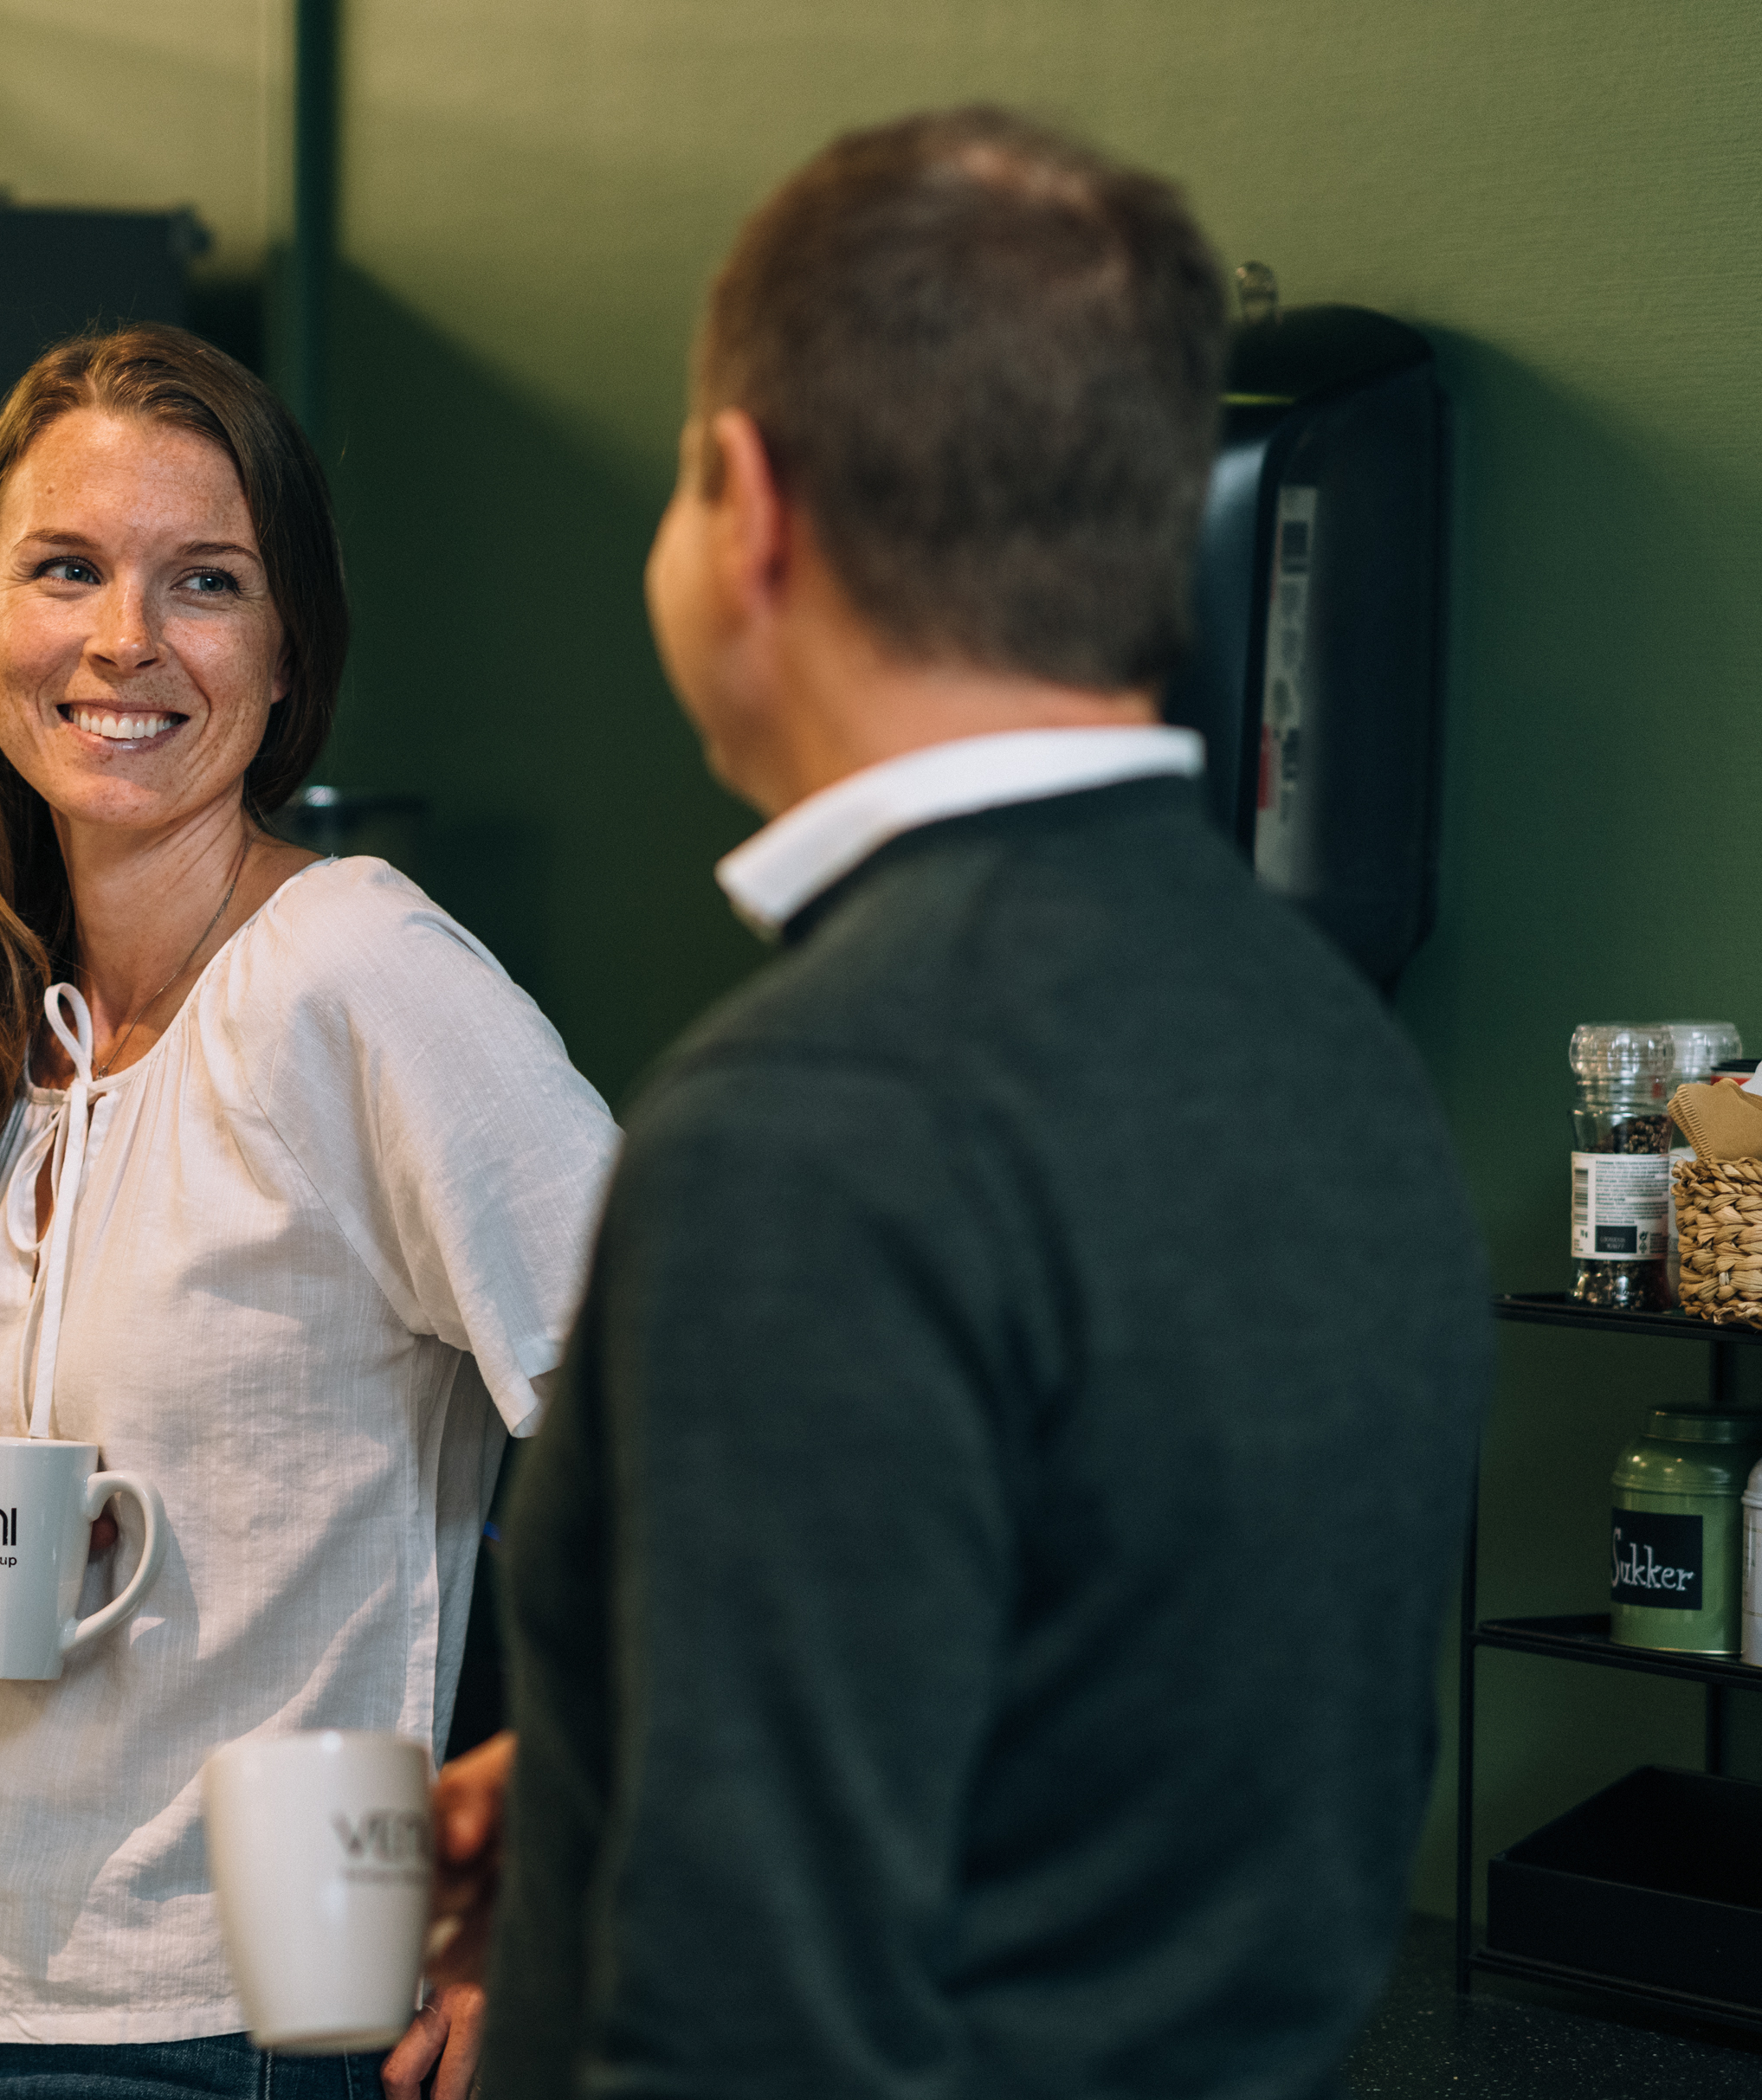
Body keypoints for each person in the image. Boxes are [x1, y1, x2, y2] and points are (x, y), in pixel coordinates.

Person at [431, 108, 1489, 2100]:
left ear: (746, 506)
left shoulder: (812, 1119)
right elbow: (1111, 1733)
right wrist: (601, 1795)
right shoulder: (1326, 1037)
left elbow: (748, 2041)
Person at [0, 323, 617, 2100]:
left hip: (213, 2021)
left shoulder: (360, 977)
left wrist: (550, 1872)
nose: (120, 641)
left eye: (203, 582)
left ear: (284, 649)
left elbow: (721, 1426)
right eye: (65, 569)